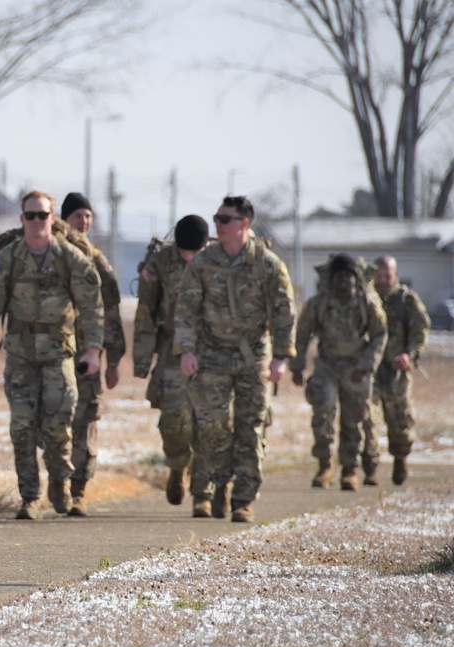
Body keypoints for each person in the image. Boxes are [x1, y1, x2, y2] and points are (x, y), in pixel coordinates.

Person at [0, 190, 104, 520]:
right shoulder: (8, 260)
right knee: (22, 427)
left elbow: (91, 307)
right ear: (21, 220)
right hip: (19, 355)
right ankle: (28, 497)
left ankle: (60, 480)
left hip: (59, 354)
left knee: (59, 426)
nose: (36, 221)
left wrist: (92, 350)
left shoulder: (70, 259)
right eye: (29, 215)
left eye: (42, 215)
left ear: (52, 219)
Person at [173, 195, 295, 523]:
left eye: (225, 219)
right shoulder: (203, 262)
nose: (218, 225)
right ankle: (220, 480)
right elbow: (186, 308)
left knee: (251, 426)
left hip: (253, 353)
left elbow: (284, 313)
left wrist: (281, 357)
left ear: (243, 224)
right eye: (216, 218)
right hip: (211, 353)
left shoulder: (267, 264)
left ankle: (244, 498)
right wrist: (187, 350)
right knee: (212, 425)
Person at [133, 214, 212, 517]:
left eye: (195, 252)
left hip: (210, 351)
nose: (189, 258)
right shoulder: (161, 262)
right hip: (172, 350)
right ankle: (179, 466)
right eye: (184, 252)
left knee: (208, 421)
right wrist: (142, 359)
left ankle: (203, 491)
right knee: (174, 420)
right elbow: (146, 311)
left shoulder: (218, 260)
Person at [290, 253, 386, 490]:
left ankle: (350, 469)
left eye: (348, 276)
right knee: (322, 412)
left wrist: (365, 366)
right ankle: (324, 465)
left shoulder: (368, 303)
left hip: (356, 368)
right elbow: (302, 335)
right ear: (331, 279)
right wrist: (298, 365)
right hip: (327, 366)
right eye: (339, 276)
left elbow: (380, 335)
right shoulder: (318, 303)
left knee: (354, 419)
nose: (344, 281)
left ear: (355, 278)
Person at [59, 192, 126, 517]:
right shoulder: (54, 254)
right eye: (77, 216)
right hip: (56, 351)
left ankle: (79, 491)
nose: (83, 222)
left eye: (87, 216)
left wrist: (112, 360)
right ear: (64, 219)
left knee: (86, 419)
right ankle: (57, 482)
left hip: (89, 354)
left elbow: (111, 312)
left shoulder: (98, 261)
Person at [362, 255, 430, 485]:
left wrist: (409, 355)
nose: (382, 280)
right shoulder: (365, 298)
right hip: (369, 367)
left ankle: (400, 456)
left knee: (399, 419)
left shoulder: (406, 300)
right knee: (366, 418)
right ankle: (370, 467)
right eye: (378, 276)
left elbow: (420, 330)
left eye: (387, 276)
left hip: (396, 369)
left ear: (395, 276)